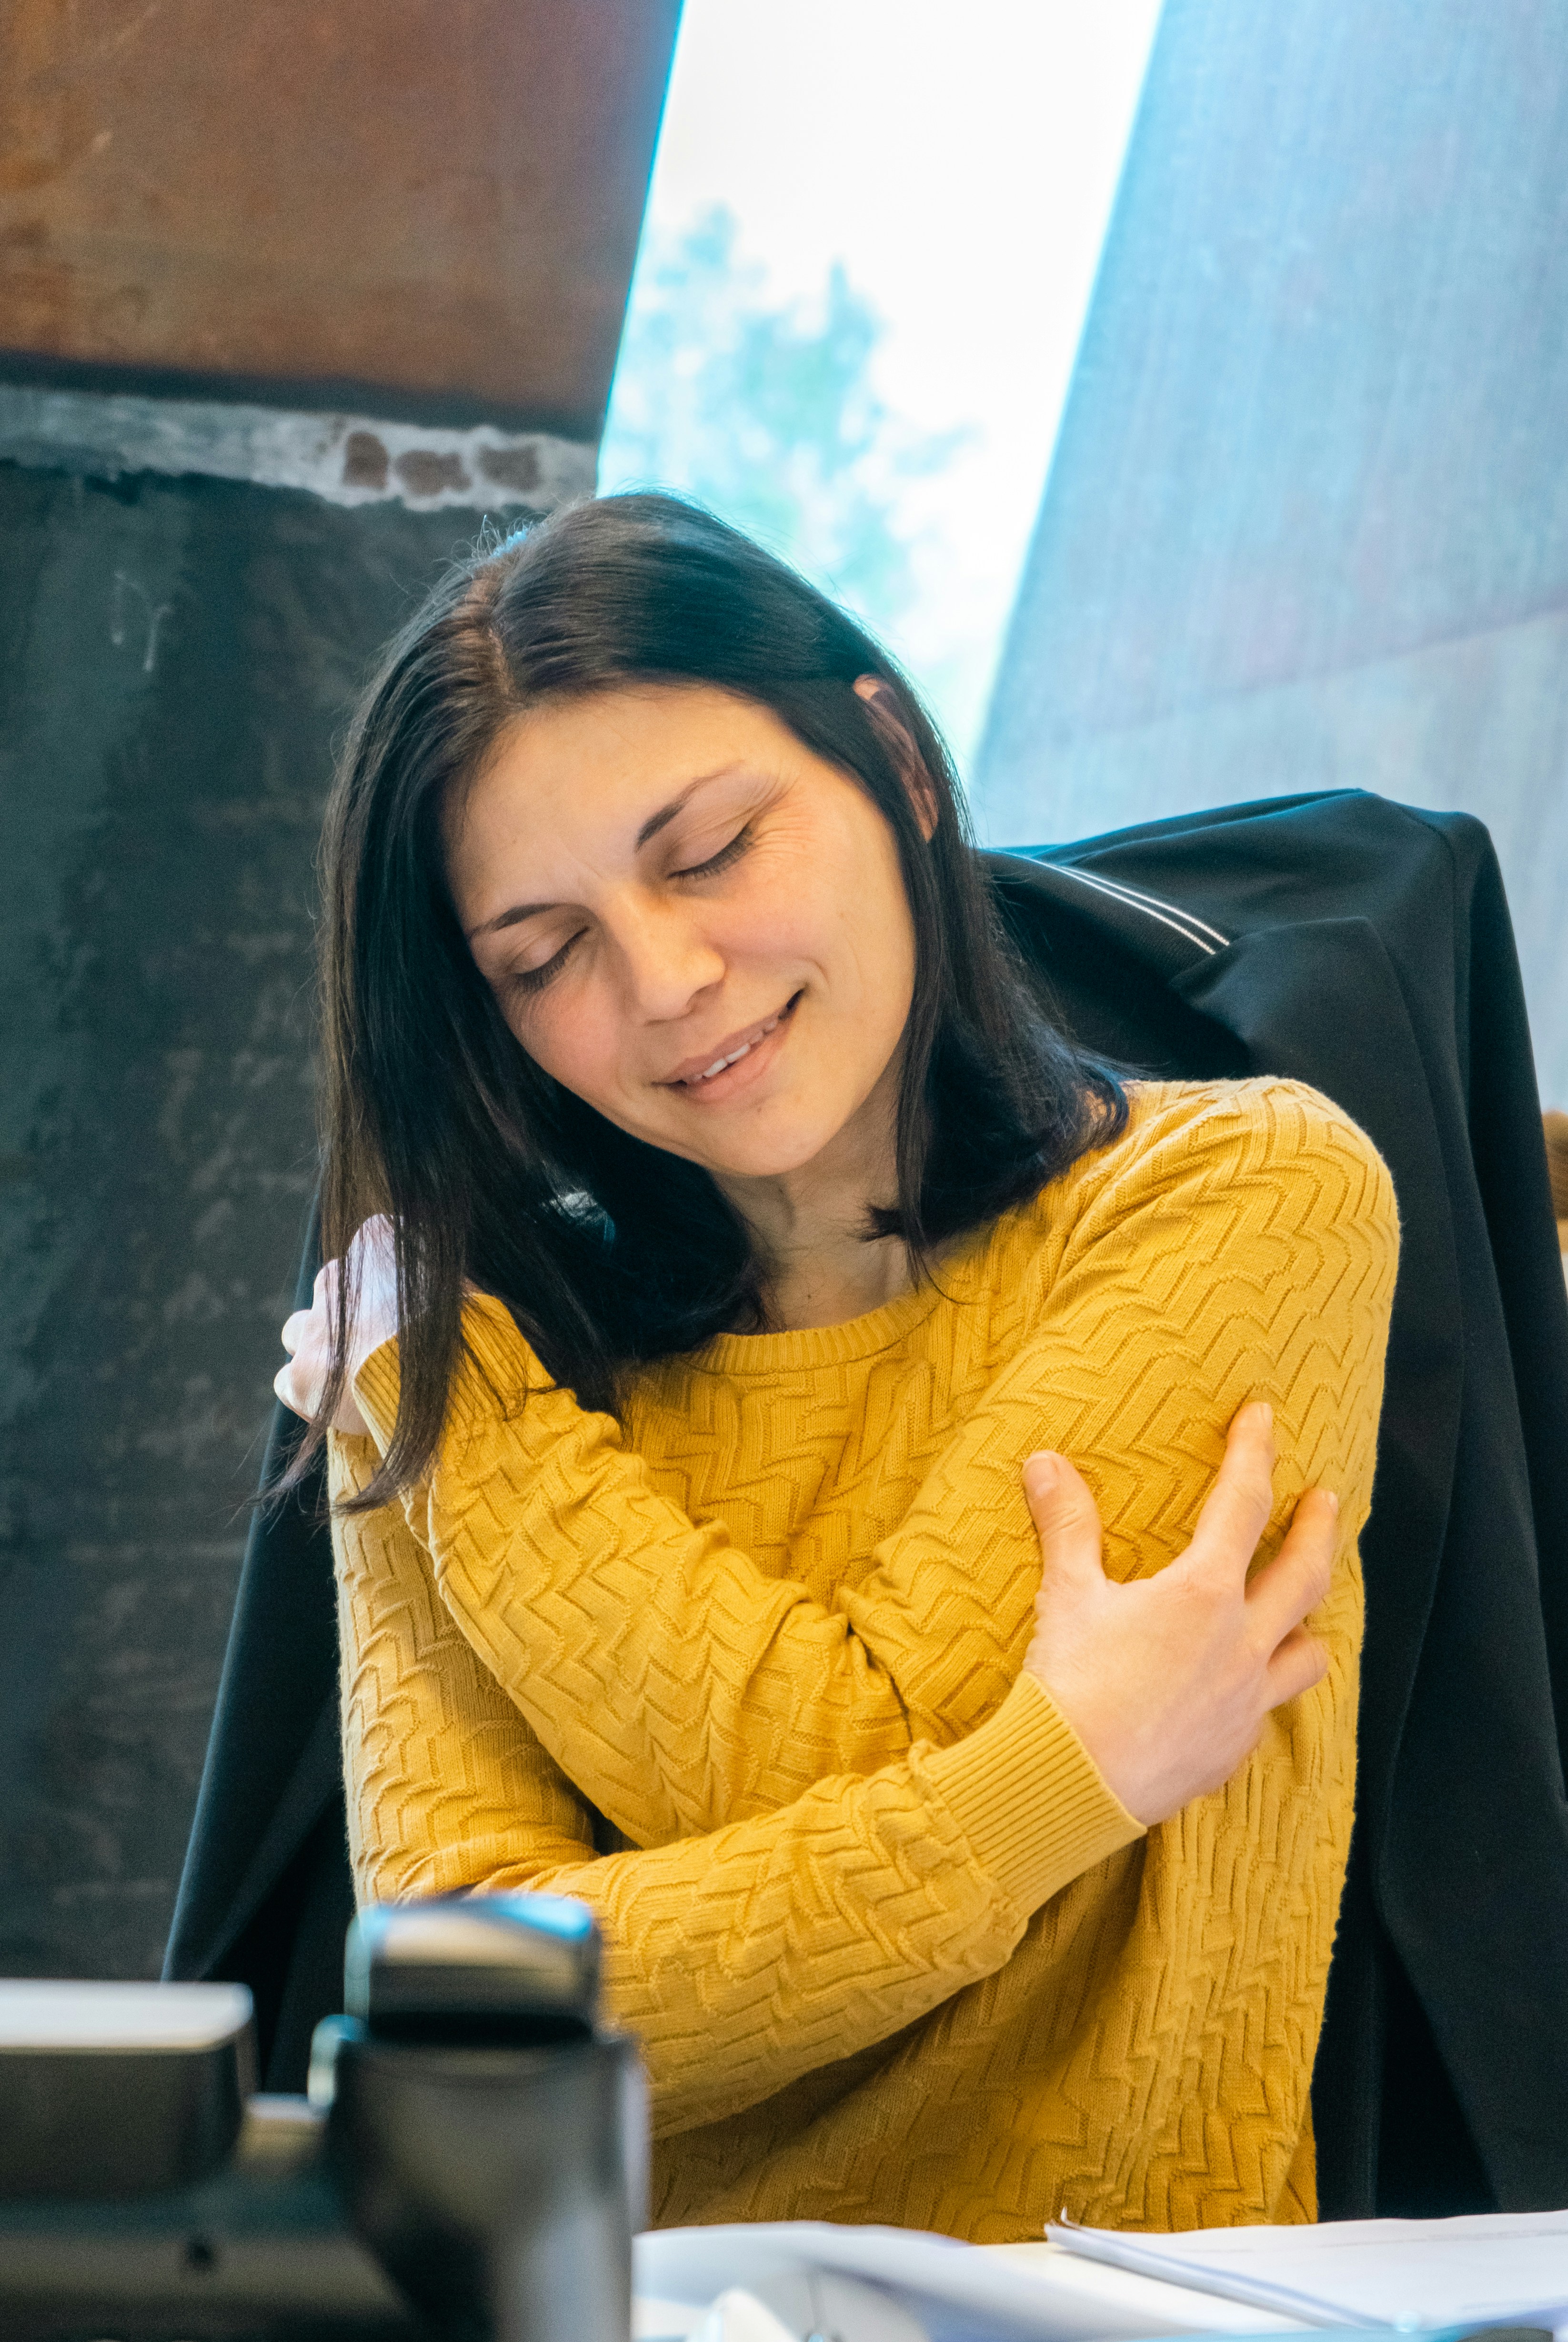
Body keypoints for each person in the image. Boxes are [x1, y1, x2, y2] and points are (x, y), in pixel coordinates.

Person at [274, 494, 1398, 2243]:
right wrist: (1058, 1779)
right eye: (544, 954)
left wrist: (459, 1432)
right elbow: (462, 2016)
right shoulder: (450, 1363)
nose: (666, 980)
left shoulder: (1239, 1197)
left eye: (710, 848)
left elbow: (834, 1758)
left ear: (894, 760)